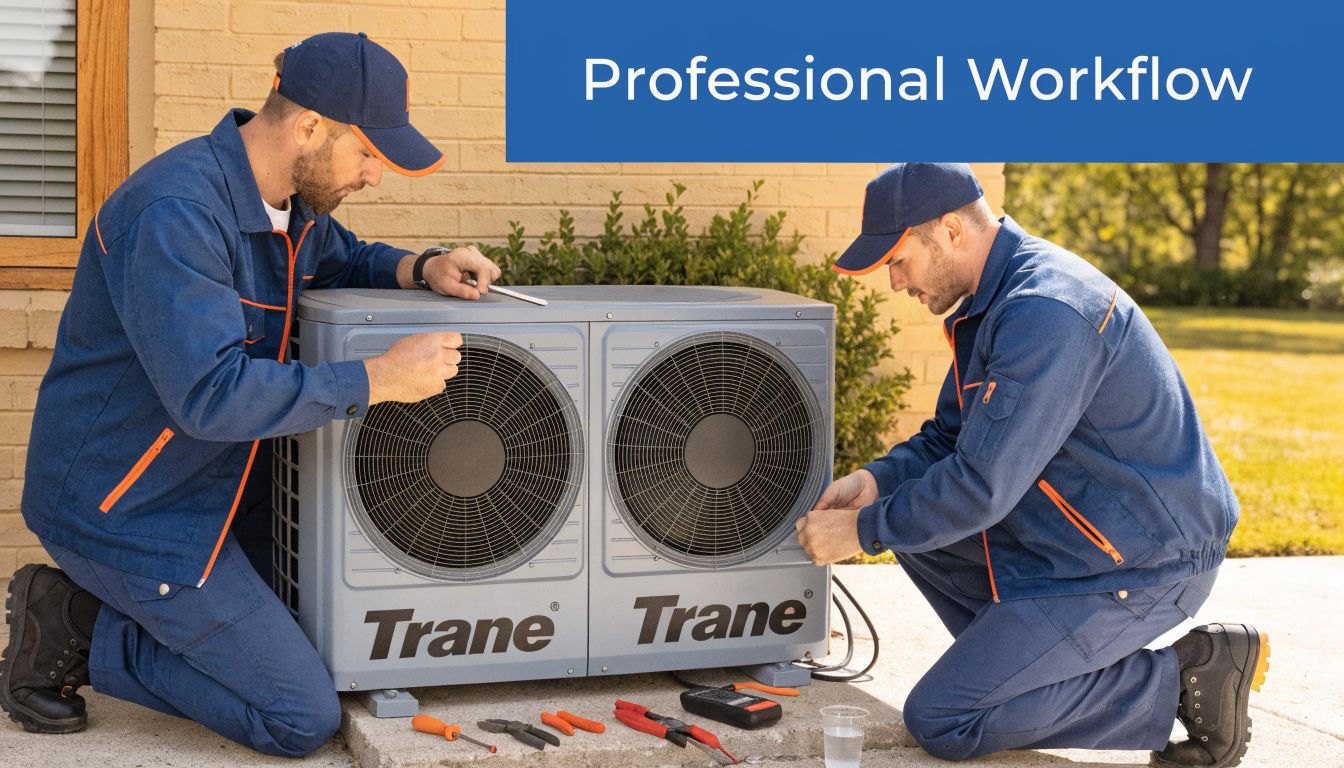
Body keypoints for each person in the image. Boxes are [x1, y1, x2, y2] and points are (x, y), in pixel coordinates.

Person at [0, 32, 502, 756]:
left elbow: (345, 256)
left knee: (325, 618)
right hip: (129, 509)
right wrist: (378, 379)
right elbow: (210, 396)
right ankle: (77, 627)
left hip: (217, 483)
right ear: (308, 128)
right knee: (299, 714)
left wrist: (423, 267)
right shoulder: (174, 213)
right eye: (366, 153)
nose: (373, 175)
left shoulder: (286, 206)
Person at [795, 163, 1268, 768]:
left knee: (946, 718)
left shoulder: (1047, 312)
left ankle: (1184, 679)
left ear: (948, 230)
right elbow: (950, 438)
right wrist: (875, 483)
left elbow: (980, 488)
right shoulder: (996, 301)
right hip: (1076, 540)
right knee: (907, 521)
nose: (894, 282)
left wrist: (860, 531)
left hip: (1145, 560)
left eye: (898, 260)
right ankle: (1028, 669)